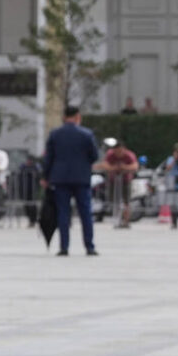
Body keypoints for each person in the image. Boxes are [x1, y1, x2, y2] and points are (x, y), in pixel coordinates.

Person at [42, 108, 101, 256]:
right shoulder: (87, 134)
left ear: (64, 117)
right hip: (81, 178)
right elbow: (94, 156)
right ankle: (89, 246)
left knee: (63, 212)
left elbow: (49, 158)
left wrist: (45, 176)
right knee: (85, 213)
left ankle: (64, 247)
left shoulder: (55, 134)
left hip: (60, 178)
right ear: (77, 117)